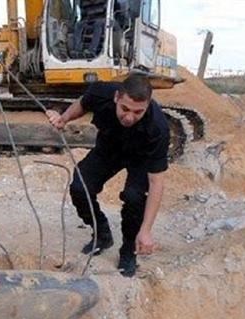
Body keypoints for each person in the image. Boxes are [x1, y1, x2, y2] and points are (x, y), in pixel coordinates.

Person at [46, 74, 169, 277]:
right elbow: (82, 104)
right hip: (109, 148)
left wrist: (146, 230)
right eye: (125, 109)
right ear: (116, 97)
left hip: (140, 159)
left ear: (147, 105)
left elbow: (157, 181)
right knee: (80, 187)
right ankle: (102, 233)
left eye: (138, 112)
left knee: (134, 198)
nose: (129, 117)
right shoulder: (100, 92)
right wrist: (64, 118)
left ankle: (128, 250)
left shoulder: (158, 128)